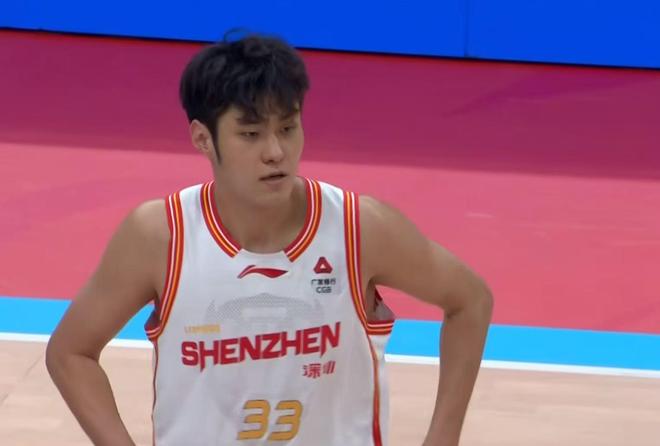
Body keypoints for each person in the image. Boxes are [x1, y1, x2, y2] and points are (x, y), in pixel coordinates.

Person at [46, 33, 493, 446]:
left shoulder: (359, 227)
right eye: (251, 134)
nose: (276, 151)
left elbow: (470, 300)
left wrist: (443, 437)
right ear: (203, 138)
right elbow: (71, 353)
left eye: (287, 128)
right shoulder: (161, 236)